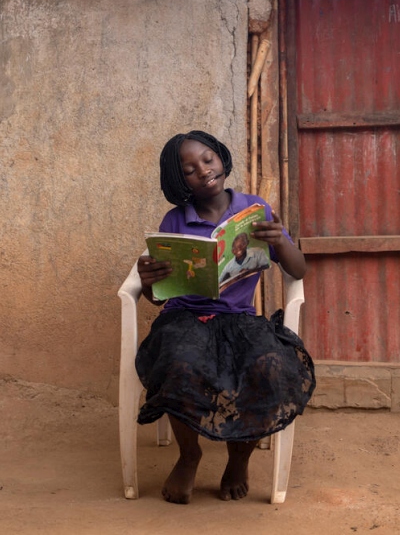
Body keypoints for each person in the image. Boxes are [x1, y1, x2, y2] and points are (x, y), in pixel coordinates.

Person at [135, 130, 315, 504]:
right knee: (179, 363)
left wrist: (280, 240)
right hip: (185, 317)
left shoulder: (255, 209)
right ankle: (189, 455)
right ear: (178, 181)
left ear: (221, 158)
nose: (202, 170)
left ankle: (239, 458)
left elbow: (298, 270)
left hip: (239, 320)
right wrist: (149, 280)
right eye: (189, 169)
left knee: (266, 365)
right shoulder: (175, 220)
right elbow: (156, 298)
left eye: (207, 159)